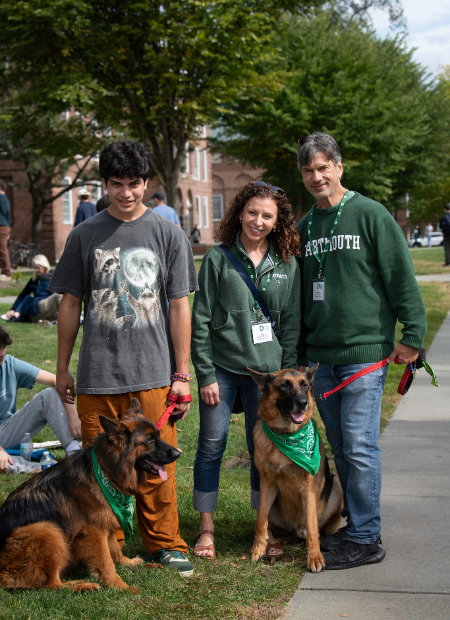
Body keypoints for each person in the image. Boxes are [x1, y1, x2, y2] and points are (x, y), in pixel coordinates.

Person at [48, 141, 198, 576]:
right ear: (105, 184)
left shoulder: (167, 234)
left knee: (156, 465)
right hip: (98, 375)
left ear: (147, 183)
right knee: (98, 473)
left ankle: (165, 543)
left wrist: (181, 374)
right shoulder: (84, 235)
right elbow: (70, 304)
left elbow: (180, 306)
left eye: (134, 184)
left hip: (153, 373)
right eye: (117, 184)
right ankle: (109, 545)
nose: (126, 193)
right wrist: (61, 368)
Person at [296, 132, 427, 570]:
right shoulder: (304, 227)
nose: (316, 177)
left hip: (364, 354)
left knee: (359, 445)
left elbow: (399, 276)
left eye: (322, 167)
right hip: (320, 359)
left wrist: (413, 332)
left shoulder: (371, 215)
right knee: (339, 443)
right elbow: (299, 296)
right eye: (308, 170)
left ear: (339, 167)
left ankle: (367, 536)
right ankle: (356, 527)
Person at [191, 180, 301, 560]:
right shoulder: (218, 258)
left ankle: (265, 528)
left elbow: (291, 326)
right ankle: (206, 529)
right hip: (222, 368)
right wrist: (204, 374)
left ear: (277, 221)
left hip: (268, 378)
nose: (258, 220)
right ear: (240, 212)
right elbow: (200, 319)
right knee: (211, 445)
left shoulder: (287, 263)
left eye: (267, 215)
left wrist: (287, 379)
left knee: (265, 451)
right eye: (252, 212)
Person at [0, 326, 81, 474]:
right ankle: (50, 469)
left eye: (3, 347)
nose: (1, 353)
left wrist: (72, 415)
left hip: (5, 430)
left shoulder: (8, 364)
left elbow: (57, 381)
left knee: (48, 396)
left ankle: (74, 453)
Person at [3, 255, 62, 323]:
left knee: (60, 295)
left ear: (45, 266)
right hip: (38, 306)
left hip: (48, 306)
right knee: (58, 296)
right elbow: (22, 295)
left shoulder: (53, 278)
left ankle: (50, 320)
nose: (36, 270)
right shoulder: (34, 280)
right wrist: (13, 309)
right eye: (34, 268)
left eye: (38, 267)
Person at [0, 179, 11, 281]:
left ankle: (6, 271)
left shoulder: (1, 197)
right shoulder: (5, 198)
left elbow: (5, 214)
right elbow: (8, 215)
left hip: (1, 226)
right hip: (5, 226)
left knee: (2, 249)